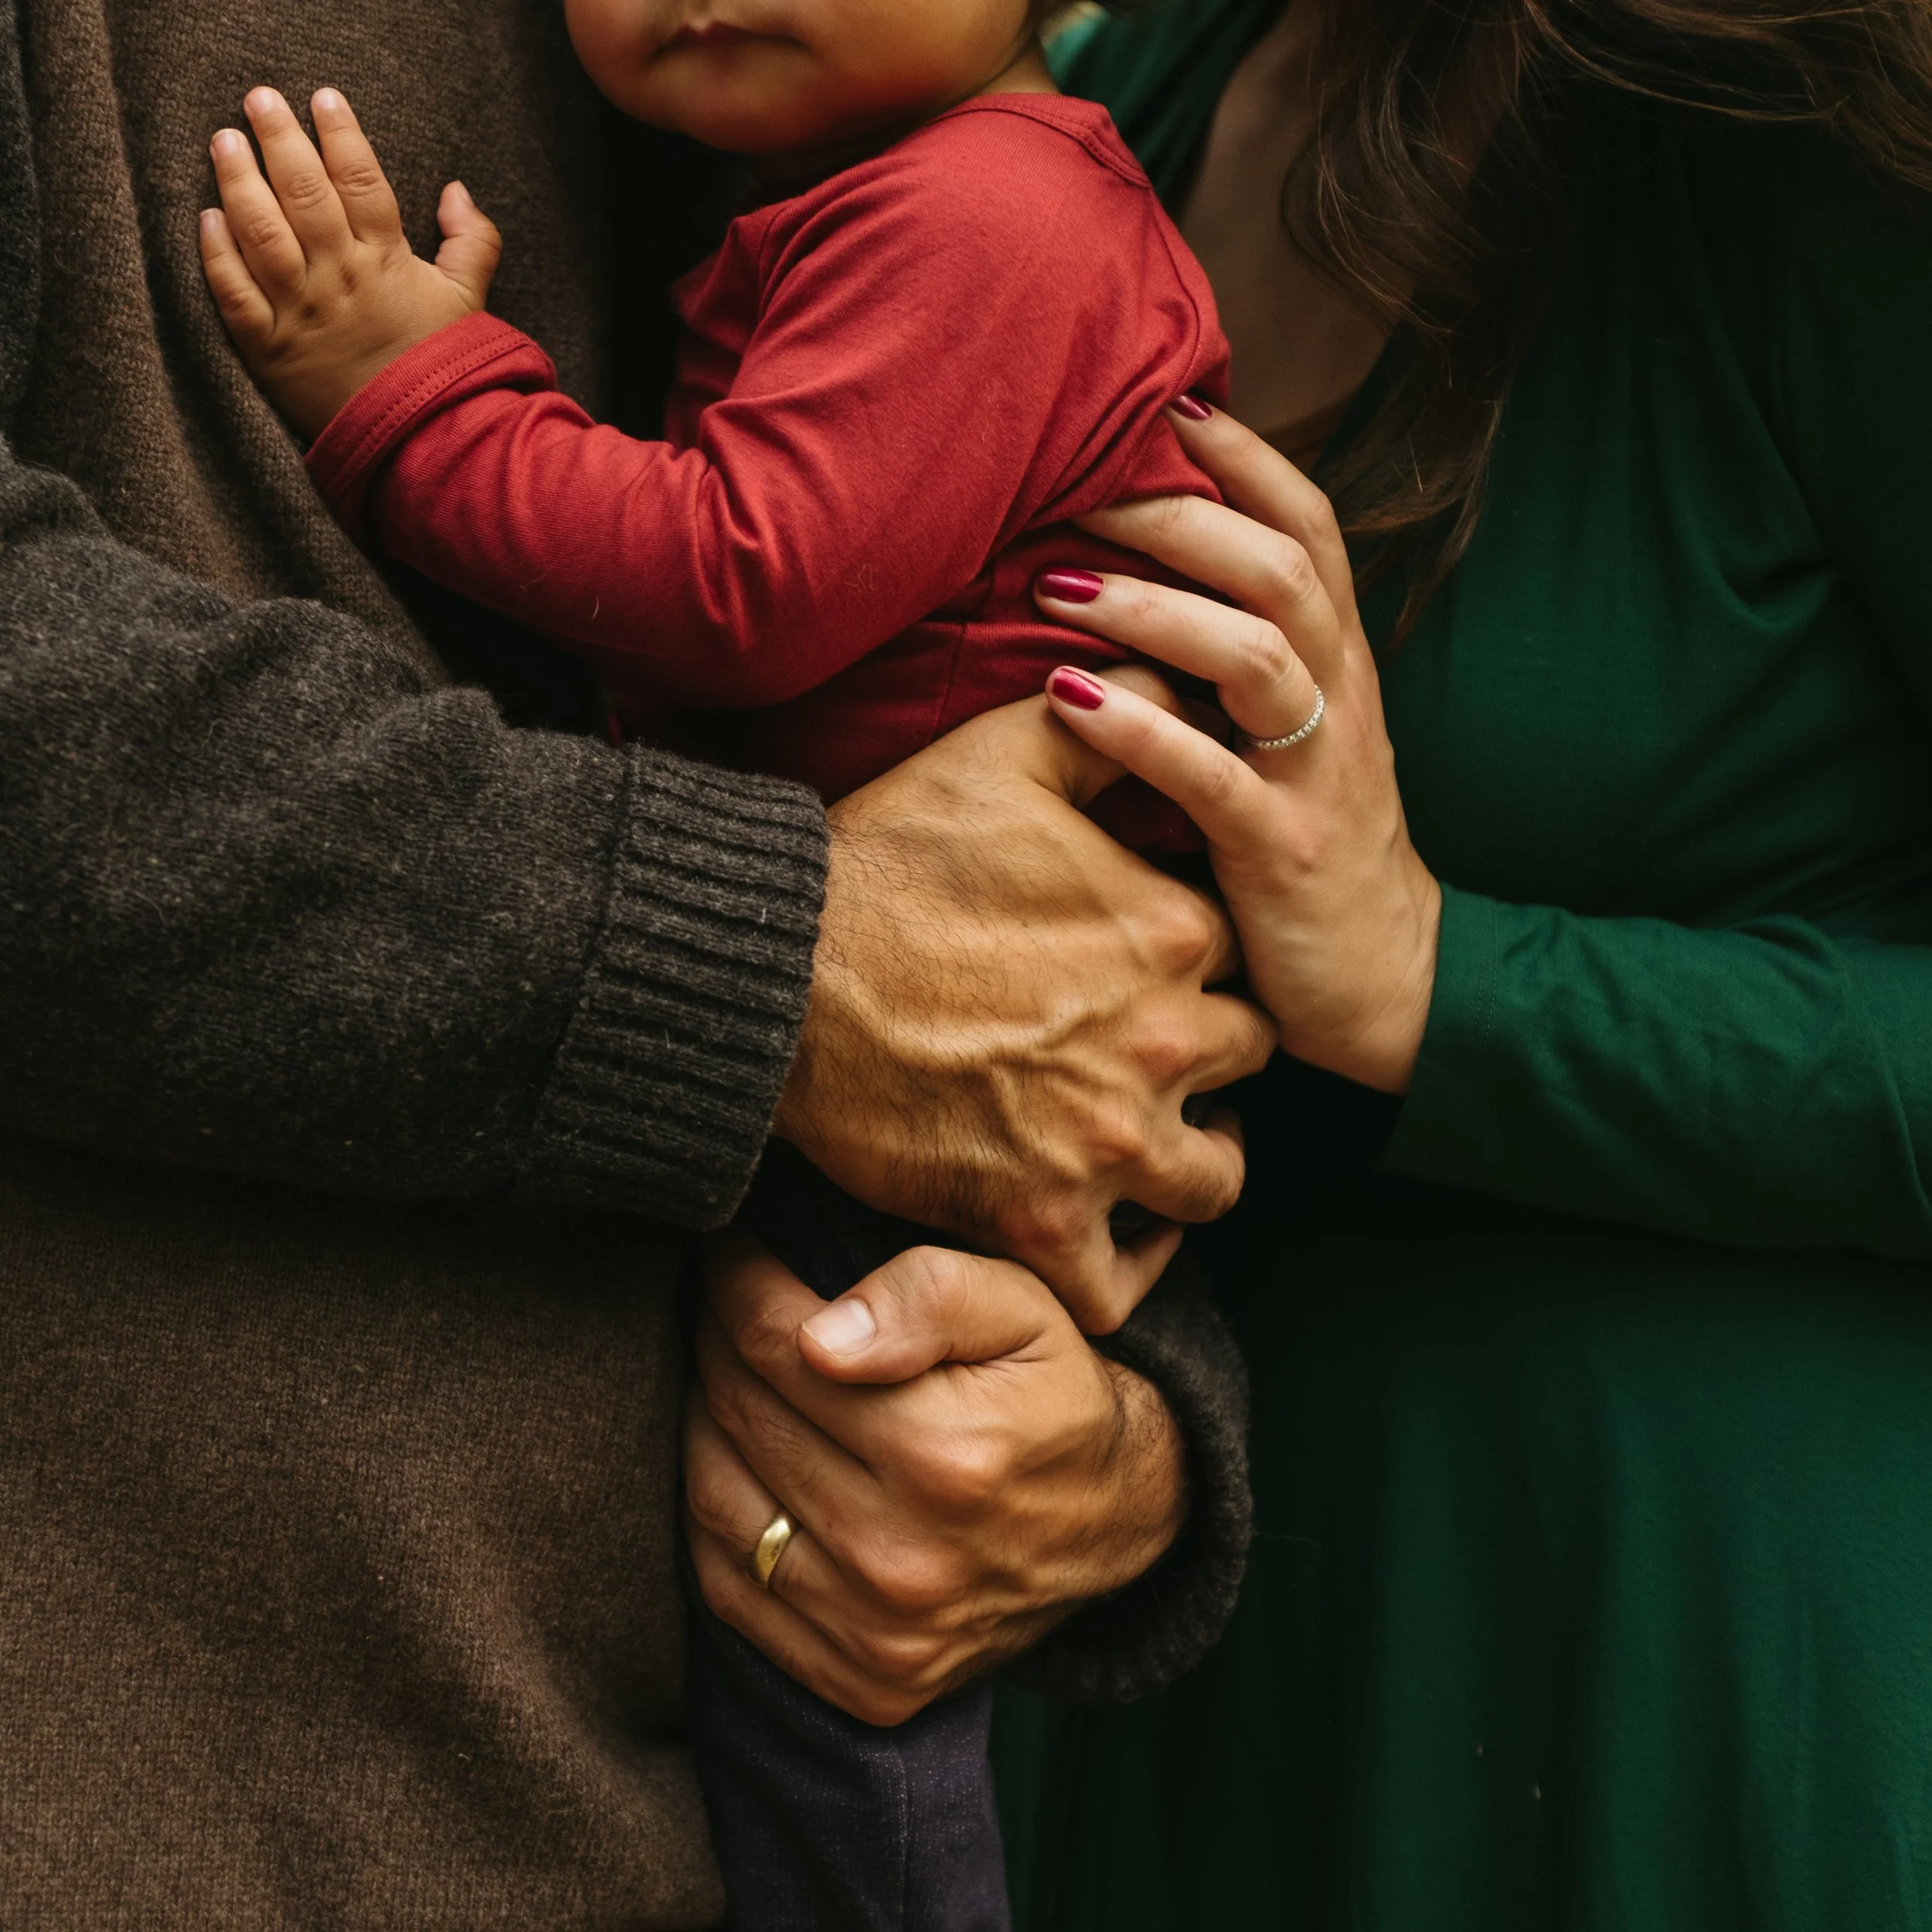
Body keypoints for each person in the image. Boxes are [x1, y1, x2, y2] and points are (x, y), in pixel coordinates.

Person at [0, 0, 1276, 1923]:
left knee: (854, 1768)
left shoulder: (968, 195)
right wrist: (773, 959)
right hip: (169, 1780)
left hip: (669, 1594)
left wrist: (1126, 1411)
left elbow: (755, 597)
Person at [928, 1, 1932, 1925]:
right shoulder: (1112, 96)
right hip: (1170, 1648)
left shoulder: (1825, 128)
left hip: (1688, 1692)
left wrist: (1441, 981)